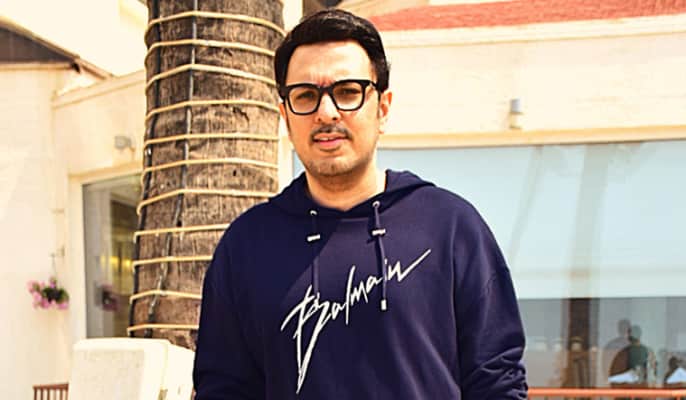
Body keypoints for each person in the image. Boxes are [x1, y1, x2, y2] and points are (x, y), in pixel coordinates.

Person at [193, 9, 527, 399]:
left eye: (348, 92)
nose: (326, 112)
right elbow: (223, 389)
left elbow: (497, 381)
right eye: (306, 96)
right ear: (285, 115)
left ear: (382, 108)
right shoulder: (247, 245)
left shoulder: (450, 227)